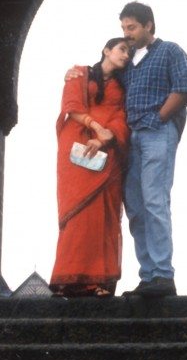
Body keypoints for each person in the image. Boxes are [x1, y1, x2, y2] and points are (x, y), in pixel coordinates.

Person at [67, 2, 187, 298]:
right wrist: (76, 73)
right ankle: (148, 275)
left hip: (157, 133)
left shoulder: (170, 51)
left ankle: (163, 275)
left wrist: (159, 118)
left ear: (149, 26)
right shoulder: (127, 63)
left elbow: (186, 88)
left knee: (155, 199)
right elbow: (101, 78)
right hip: (130, 140)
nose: (126, 35)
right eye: (123, 29)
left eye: (132, 28)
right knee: (136, 207)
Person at [50, 38, 131, 298]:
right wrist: (95, 128)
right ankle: (68, 279)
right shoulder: (81, 73)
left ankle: (98, 280)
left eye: (129, 52)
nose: (126, 55)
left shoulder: (123, 84)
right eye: (122, 49)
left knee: (103, 214)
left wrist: (106, 138)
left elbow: (122, 115)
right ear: (106, 50)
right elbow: (71, 106)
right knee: (78, 213)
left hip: (106, 150)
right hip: (77, 149)